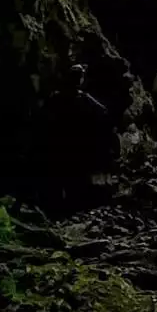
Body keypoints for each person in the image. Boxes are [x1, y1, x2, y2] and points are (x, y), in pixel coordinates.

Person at [44, 64, 114, 211]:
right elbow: (102, 110)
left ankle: (60, 204)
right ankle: (73, 204)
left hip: (62, 140)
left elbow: (47, 114)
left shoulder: (58, 96)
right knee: (75, 172)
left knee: (63, 171)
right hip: (77, 140)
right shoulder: (82, 97)